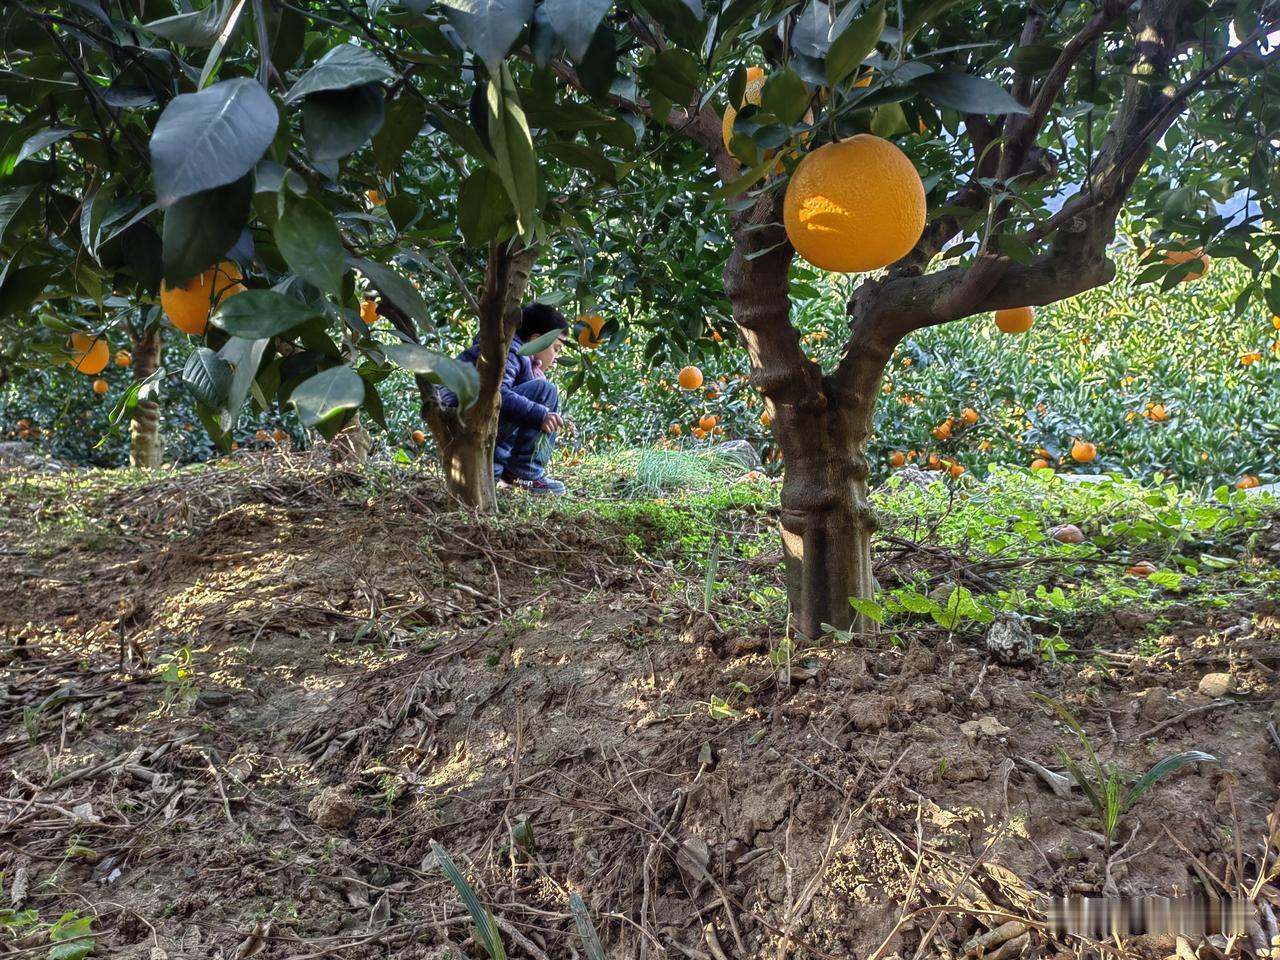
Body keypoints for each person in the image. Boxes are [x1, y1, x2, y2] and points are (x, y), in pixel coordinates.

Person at [439, 303, 568, 494]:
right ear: (537, 340)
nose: (556, 357)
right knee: (545, 391)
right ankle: (525, 474)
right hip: (465, 419)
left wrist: (530, 380)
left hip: (458, 419)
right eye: (556, 348)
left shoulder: (510, 352)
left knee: (532, 398)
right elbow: (494, 394)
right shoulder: (509, 351)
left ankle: (499, 471)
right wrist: (540, 412)